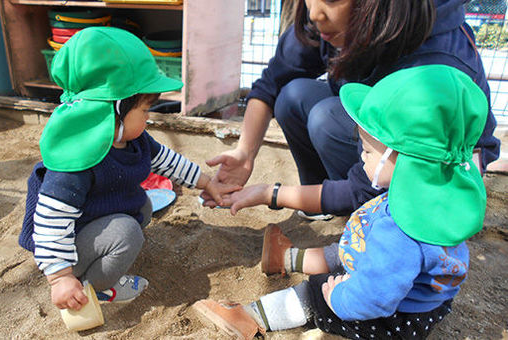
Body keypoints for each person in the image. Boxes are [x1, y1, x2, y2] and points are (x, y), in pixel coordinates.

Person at [193, 65, 488, 339]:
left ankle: (251, 317)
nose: (361, 155)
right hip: (424, 301)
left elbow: (374, 297)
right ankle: (283, 258)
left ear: (408, 162)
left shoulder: (399, 231)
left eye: (369, 152)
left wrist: (340, 299)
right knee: (345, 251)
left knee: (315, 291)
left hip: (392, 317)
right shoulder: (435, 199)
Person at [203, 0, 499, 220]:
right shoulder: (329, 15)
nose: (314, 13)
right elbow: (271, 83)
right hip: (379, 127)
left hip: (431, 164)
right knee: (293, 96)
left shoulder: (433, 64)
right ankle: (320, 201)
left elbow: (388, 177)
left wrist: (273, 194)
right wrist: (244, 153)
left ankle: (370, 216)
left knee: (326, 119)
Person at [18, 27, 240, 311]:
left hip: (93, 220)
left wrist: (206, 182)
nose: (149, 118)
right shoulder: (75, 160)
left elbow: (165, 160)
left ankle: (102, 258)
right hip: (66, 244)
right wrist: (59, 277)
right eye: (145, 111)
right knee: (127, 232)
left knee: (142, 208)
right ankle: (95, 287)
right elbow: (50, 222)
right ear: (114, 108)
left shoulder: (130, 138)